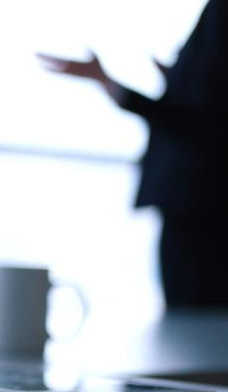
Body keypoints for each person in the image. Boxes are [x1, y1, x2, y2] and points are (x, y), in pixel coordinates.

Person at [39, 0, 228, 308]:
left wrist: (110, 84)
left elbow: (205, 120)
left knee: (194, 318)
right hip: (198, 200)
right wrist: (178, 80)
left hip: (201, 202)